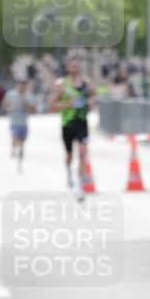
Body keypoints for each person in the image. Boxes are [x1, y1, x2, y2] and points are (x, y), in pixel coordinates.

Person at [49, 56, 96, 198]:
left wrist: (91, 102)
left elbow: (94, 96)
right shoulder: (61, 84)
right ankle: (69, 171)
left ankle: (81, 186)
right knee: (70, 155)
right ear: (68, 68)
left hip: (82, 123)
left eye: (77, 66)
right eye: (72, 66)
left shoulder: (86, 83)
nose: (75, 69)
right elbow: (52, 106)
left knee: (82, 153)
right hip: (67, 124)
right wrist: (66, 104)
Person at [3, 78, 36, 171]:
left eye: (24, 85)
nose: (22, 87)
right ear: (17, 85)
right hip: (14, 122)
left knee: (22, 145)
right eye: (20, 85)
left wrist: (28, 107)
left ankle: (19, 164)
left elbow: (33, 109)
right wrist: (9, 109)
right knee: (15, 137)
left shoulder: (29, 96)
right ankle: (13, 147)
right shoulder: (11, 94)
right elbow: (4, 104)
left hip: (24, 124)